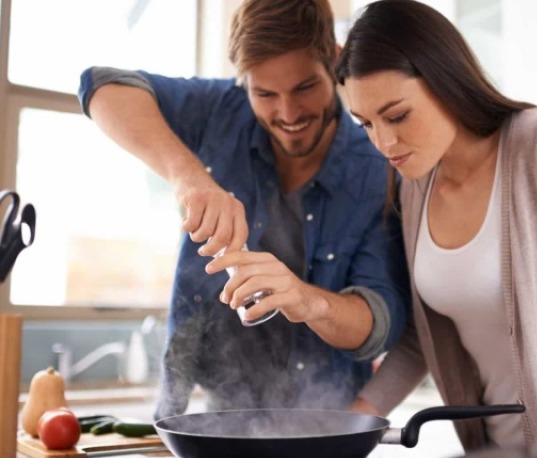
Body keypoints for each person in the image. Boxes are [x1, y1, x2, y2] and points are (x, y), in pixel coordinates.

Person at [77, 0, 409, 419]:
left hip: (327, 433)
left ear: (335, 61)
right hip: (209, 414)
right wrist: (190, 178)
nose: (287, 114)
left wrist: (306, 301)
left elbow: (379, 321)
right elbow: (100, 86)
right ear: (243, 84)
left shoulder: (378, 168)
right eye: (265, 93)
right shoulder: (221, 110)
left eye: (305, 87)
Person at [336, 0, 537, 452]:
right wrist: (345, 427)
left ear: (445, 79)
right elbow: (425, 337)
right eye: (365, 124)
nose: (383, 142)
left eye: (397, 116)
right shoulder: (416, 186)